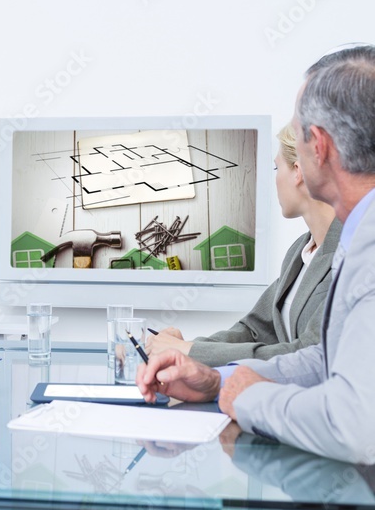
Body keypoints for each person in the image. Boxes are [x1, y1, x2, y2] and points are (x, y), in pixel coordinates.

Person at [136, 46, 375, 510]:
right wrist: (218, 381)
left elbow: (354, 416)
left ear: (321, 148)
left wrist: (244, 398)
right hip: (351, 508)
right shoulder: (356, 237)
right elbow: (325, 359)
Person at [146, 123, 341, 366]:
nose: (275, 179)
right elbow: (256, 329)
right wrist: (186, 349)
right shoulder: (300, 251)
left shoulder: (350, 253)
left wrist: (189, 350)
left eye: (276, 167)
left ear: (298, 172)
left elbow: (307, 353)